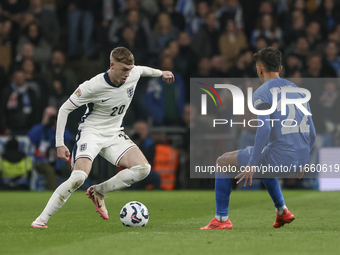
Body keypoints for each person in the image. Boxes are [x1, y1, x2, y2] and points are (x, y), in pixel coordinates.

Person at [30, 47, 175, 228]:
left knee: (143, 169)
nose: (127, 74)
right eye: (124, 69)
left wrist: (161, 73)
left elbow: (143, 70)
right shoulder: (93, 86)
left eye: (130, 69)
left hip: (114, 133)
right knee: (78, 178)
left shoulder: (133, 73)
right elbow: (64, 109)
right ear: (112, 65)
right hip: (91, 133)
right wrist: (59, 143)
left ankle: (98, 192)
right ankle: (42, 219)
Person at [200, 47, 316, 230]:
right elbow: (313, 132)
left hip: (281, 156)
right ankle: (282, 211)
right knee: (264, 158)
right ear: (280, 68)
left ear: (260, 69)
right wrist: (303, 161)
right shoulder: (299, 90)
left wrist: (252, 163)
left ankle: (221, 220)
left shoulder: (262, 92)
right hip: (301, 157)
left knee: (222, 162)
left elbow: (264, 129)